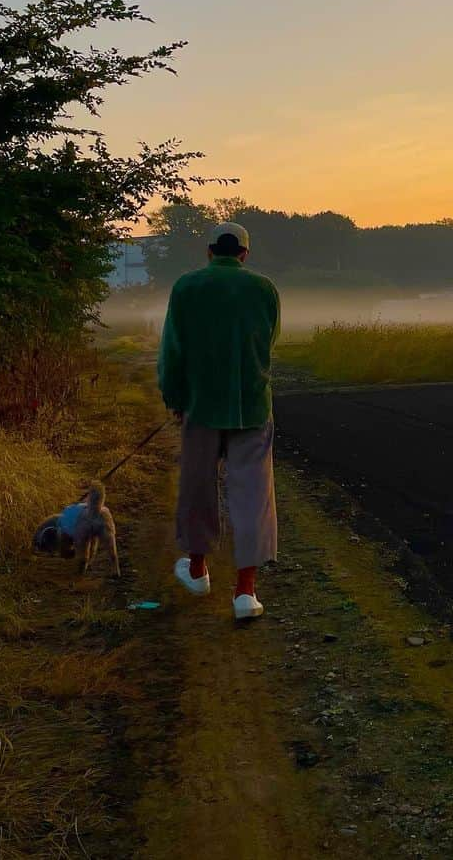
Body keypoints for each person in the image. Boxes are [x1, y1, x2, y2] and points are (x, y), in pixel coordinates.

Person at [157, 220, 281, 620]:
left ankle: (197, 571)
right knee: (251, 495)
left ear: (209, 251)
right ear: (244, 254)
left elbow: (172, 351)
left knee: (197, 486)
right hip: (252, 407)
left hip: (200, 404)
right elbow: (269, 341)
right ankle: (245, 593)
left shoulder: (187, 287)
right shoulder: (264, 289)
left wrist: (175, 398)